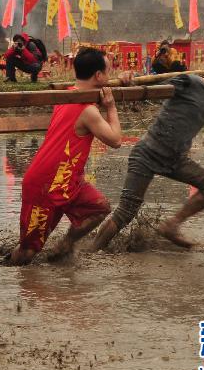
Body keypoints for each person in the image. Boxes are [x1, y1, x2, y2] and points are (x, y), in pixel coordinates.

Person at [92, 58, 204, 251]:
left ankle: (171, 225)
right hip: (147, 154)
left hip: (175, 160)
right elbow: (151, 91)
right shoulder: (190, 82)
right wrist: (131, 80)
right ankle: (91, 252)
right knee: (126, 212)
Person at [10, 48, 130, 264]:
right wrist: (111, 107)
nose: (110, 75)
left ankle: (65, 244)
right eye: (108, 71)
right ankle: (12, 278)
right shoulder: (88, 111)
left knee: (98, 209)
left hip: (69, 182)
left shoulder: (67, 94)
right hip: (44, 184)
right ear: (99, 76)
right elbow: (116, 140)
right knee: (27, 252)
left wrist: (124, 81)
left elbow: (97, 98)